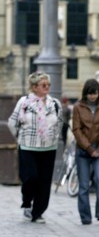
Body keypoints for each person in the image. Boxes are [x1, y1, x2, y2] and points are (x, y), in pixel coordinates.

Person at [7, 72, 62, 224]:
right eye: (44, 85)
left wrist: (54, 136)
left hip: (48, 148)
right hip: (28, 147)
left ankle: (37, 212)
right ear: (34, 87)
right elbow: (12, 122)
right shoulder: (24, 102)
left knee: (44, 182)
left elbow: (60, 123)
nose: (47, 87)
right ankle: (27, 202)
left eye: (48, 85)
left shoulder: (54, 103)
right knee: (30, 177)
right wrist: (20, 138)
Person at [72, 79, 99, 225]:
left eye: (94, 94)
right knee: (83, 185)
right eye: (90, 94)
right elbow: (76, 129)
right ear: (85, 93)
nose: (92, 97)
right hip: (83, 150)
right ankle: (85, 217)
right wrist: (88, 148)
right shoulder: (78, 107)